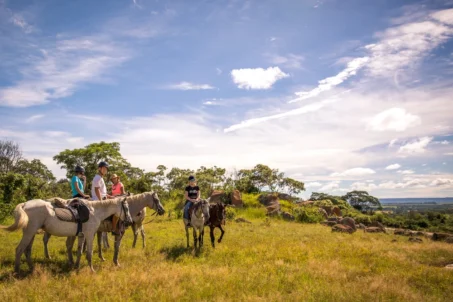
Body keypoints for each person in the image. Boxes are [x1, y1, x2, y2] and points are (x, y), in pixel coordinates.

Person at [91, 162, 119, 235]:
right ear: (99, 168)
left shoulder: (100, 178)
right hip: (99, 200)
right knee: (117, 211)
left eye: (106, 168)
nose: (105, 170)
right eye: (104, 168)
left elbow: (101, 191)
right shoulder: (97, 177)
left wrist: (109, 196)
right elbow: (97, 190)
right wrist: (101, 202)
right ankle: (113, 228)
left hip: (102, 198)